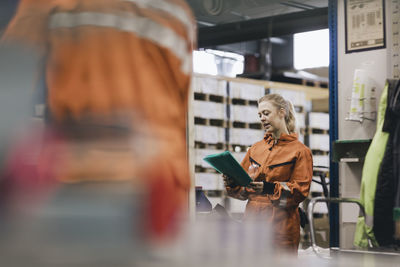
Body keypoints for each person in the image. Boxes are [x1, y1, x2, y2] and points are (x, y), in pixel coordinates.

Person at [1, 0, 196, 241]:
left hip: (89, 179)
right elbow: (178, 106)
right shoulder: (178, 11)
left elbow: (9, 82)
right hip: (160, 178)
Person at [223, 94, 313, 254]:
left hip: (281, 226)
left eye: (266, 113)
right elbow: (242, 192)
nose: (262, 119)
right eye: (260, 115)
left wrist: (269, 188)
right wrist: (232, 182)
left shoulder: (300, 152)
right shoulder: (255, 149)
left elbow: (299, 193)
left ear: (282, 112)